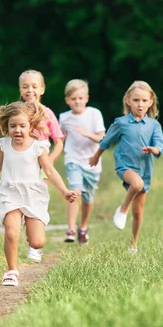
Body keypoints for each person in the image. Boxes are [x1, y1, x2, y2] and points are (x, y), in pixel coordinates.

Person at [0, 101, 77, 286]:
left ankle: (30, 233)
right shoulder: (4, 145)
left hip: (34, 195)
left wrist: (64, 191)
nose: (17, 130)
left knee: (37, 242)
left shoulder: (38, 147)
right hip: (10, 192)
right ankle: (11, 271)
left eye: (22, 126)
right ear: (7, 127)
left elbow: (50, 171)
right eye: (13, 126)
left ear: (31, 126)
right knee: (11, 233)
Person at [0, 69, 64, 260]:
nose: (30, 90)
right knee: (17, 202)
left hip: (40, 163)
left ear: (42, 89)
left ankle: (34, 240)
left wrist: (51, 161)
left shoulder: (47, 113)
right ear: (20, 89)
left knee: (36, 200)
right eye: (25, 86)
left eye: (34, 86)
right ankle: (19, 227)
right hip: (17, 161)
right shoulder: (16, 111)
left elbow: (58, 141)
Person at [89, 81, 163, 253]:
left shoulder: (154, 125)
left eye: (144, 101)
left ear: (151, 102)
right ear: (128, 100)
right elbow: (106, 141)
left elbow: (160, 145)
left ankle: (133, 244)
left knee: (138, 212)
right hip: (125, 166)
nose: (140, 104)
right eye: (136, 100)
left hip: (145, 169)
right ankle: (122, 209)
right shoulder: (121, 123)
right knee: (136, 184)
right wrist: (95, 157)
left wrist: (155, 149)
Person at [59, 79, 106, 244]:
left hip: (92, 163)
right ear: (67, 100)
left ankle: (83, 227)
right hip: (73, 159)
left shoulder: (94, 114)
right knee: (75, 192)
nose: (77, 101)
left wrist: (87, 134)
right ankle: (71, 229)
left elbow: (102, 137)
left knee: (88, 199)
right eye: (73, 99)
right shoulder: (64, 118)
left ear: (86, 98)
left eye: (80, 98)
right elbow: (60, 138)